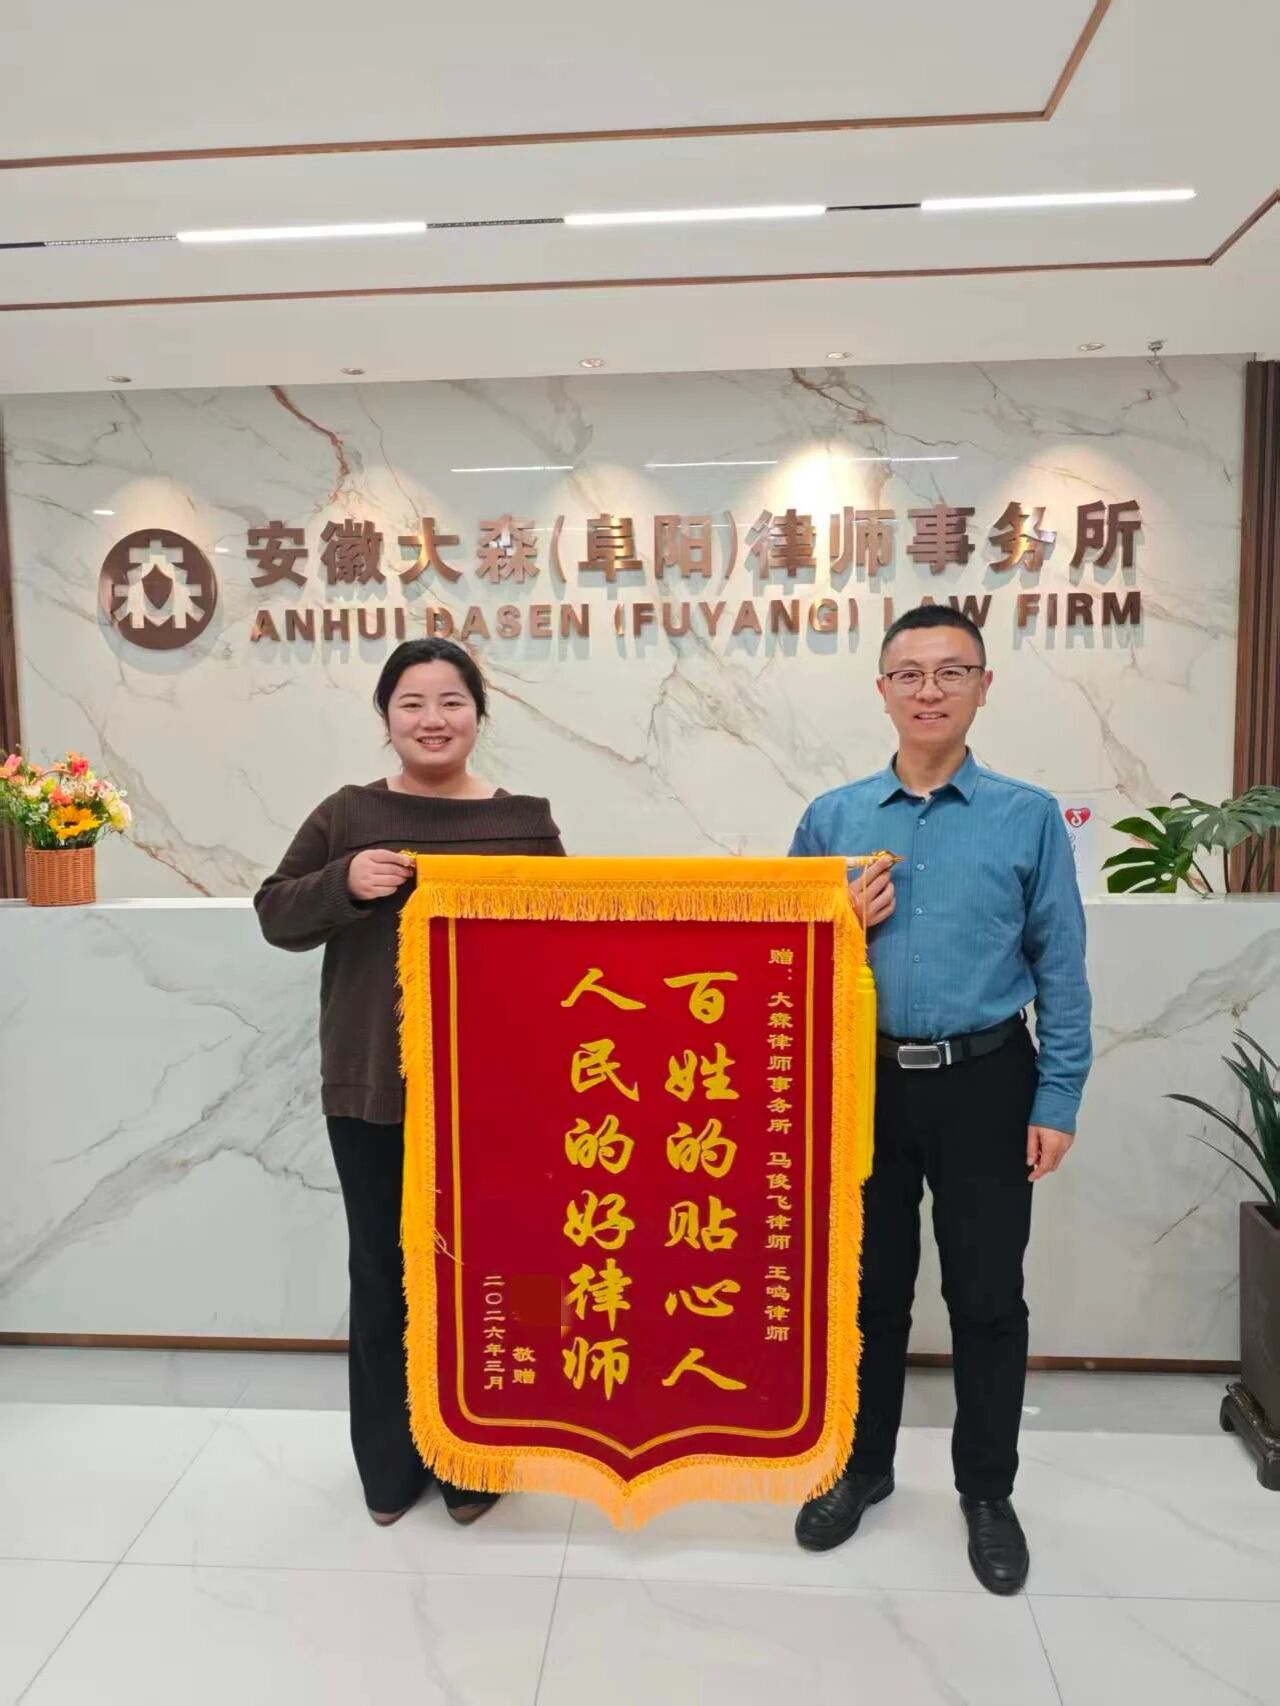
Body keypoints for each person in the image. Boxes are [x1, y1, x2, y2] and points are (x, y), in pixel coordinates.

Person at [789, 605, 1091, 1593]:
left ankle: (986, 1489)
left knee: (986, 1297)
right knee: (867, 1292)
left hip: (988, 1081)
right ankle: (863, 1467)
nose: (929, 690)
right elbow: (780, 962)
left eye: (950, 671)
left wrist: (1056, 1096)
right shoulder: (833, 818)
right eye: (909, 673)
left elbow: (1061, 964)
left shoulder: (1025, 815)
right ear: (881, 689)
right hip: (862, 1081)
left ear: (982, 686)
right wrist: (832, 921)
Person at [255, 638, 565, 1528]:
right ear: (386, 717)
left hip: (494, 1100)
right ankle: (390, 1468)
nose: (434, 720)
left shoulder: (525, 823)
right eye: (412, 703)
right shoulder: (349, 814)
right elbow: (276, 913)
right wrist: (345, 883)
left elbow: (570, 942)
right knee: (383, 1271)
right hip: (371, 1091)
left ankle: (474, 1461)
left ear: (480, 713)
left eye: (451, 701)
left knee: (490, 1278)